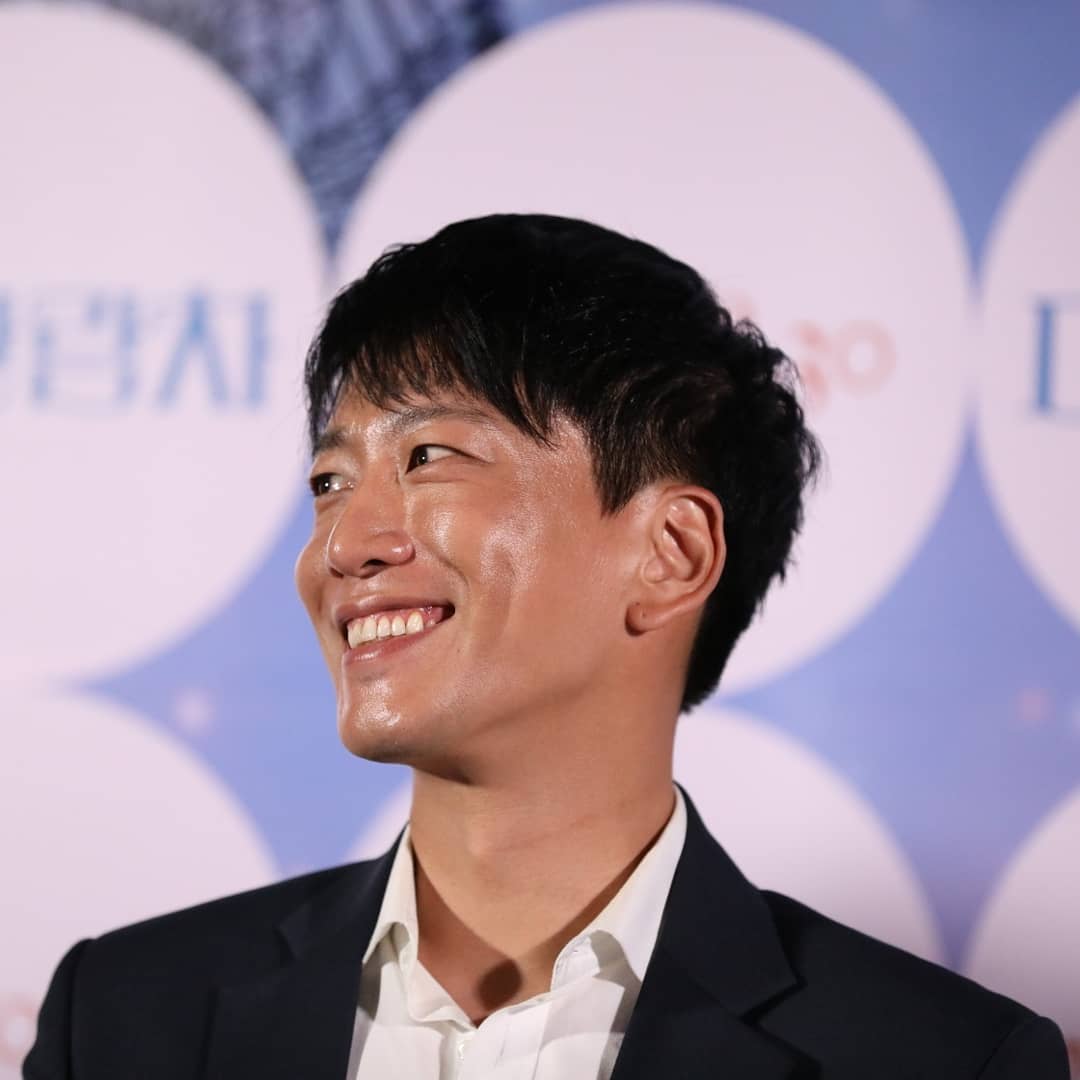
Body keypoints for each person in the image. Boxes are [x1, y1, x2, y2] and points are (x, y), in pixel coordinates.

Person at [25, 214, 1069, 1079]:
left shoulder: (940, 1059)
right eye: (330, 481)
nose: (342, 545)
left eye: (430, 456)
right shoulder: (125, 1020)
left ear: (670, 553)